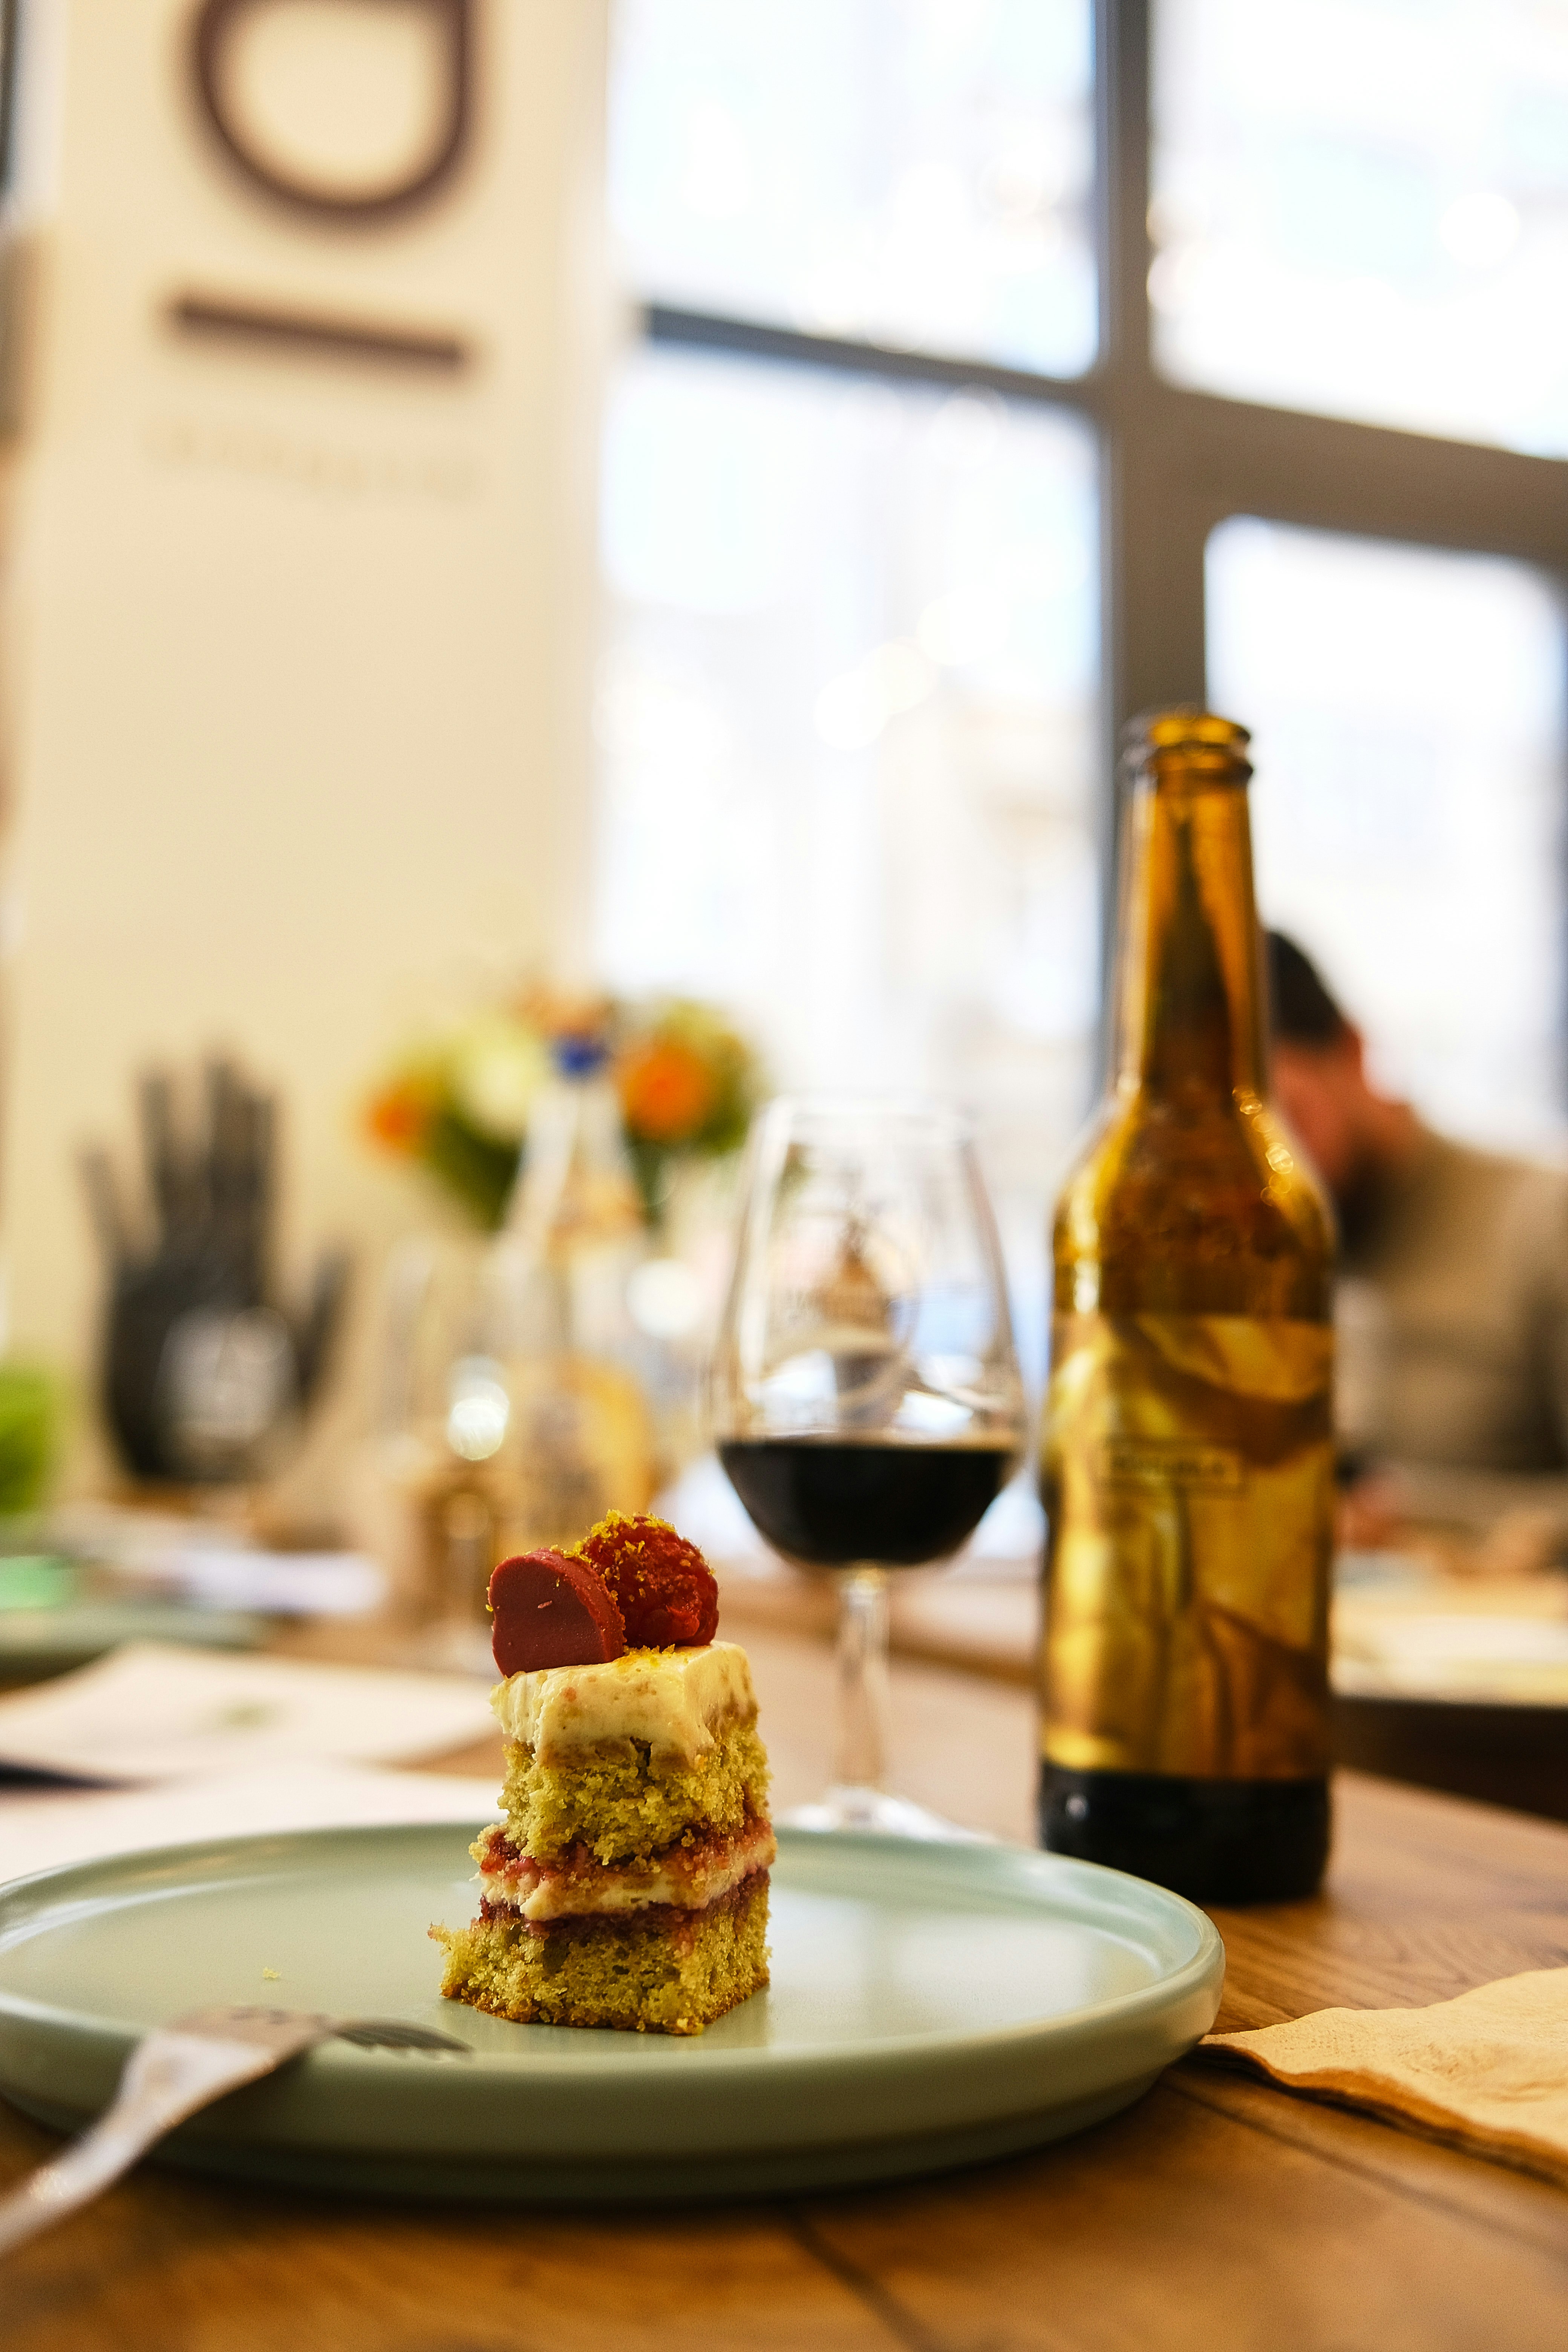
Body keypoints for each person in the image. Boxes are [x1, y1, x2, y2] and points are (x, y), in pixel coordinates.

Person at [1267, 932, 1568, 1570]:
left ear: (1351, 1051)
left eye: (1284, 1116)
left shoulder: (1541, 1221)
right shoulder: (1241, 1247)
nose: (1269, 1167)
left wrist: (1421, 1518)